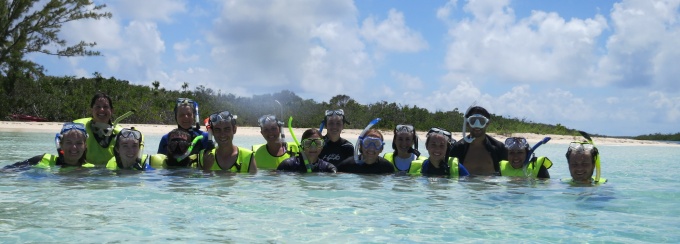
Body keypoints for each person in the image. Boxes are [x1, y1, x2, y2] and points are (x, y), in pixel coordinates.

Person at [3, 122, 94, 170]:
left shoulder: (90, 169)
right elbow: (8, 171)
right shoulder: (41, 160)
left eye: (79, 143)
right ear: (60, 144)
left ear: (85, 145)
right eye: (69, 142)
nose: (74, 147)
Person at [450, 106, 507, 176]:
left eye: (481, 121)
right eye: (473, 121)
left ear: (487, 124)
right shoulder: (458, 148)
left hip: (491, 186)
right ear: (467, 123)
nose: (477, 125)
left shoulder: (498, 148)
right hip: (465, 186)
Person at [73, 92, 122, 166]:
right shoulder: (79, 127)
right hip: (85, 173)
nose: (102, 110)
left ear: (112, 110)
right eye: (98, 107)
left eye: (105, 107)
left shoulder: (120, 133)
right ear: (91, 110)